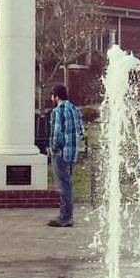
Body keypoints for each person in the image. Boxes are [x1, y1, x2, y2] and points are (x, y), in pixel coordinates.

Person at [47, 84, 84, 228]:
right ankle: (67, 216)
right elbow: (81, 131)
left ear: (56, 96)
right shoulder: (75, 109)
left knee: (63, 186)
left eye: (52, 96)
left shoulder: (58, 111)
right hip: (72, 153)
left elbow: (57, 134)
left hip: (61, 153)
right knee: (67, 184)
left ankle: (65, 218)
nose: (52, 99)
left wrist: (53, 149)